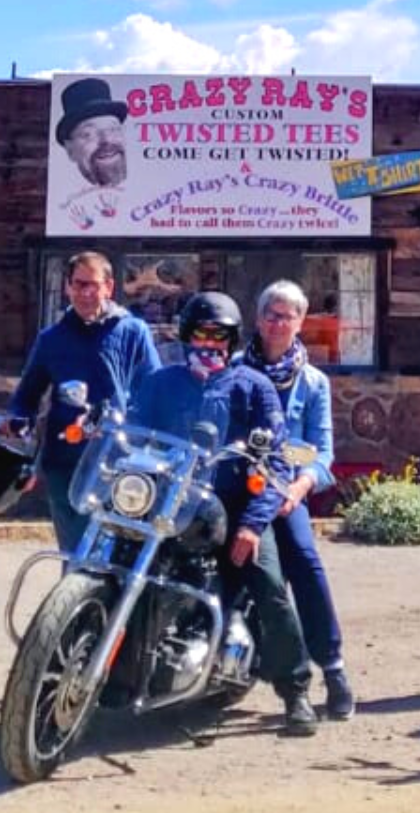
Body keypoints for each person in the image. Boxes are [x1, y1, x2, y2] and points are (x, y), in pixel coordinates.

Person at [130, 292, 320, 736]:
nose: (209, 343)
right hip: (172, 505)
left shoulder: (254, 386)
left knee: (270, 584)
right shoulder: (161, 383)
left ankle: (296, 692)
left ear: (233, 339)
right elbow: (135, 433)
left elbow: (276, 459)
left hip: (235, 508)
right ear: (184, 335)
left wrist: (253, 525)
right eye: (200, 333)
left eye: (219, 336)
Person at [244, 280, 358, 720]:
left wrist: (296, 484)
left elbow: (321, 450)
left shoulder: (313, 383)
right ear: (258, 318)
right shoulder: (238, 370)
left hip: (287, 495)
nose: (277, 323)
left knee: (305, 562)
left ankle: (332, 671)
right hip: (242, 488)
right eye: (271, 314)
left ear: (301, 322)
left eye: (287, 315)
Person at [12, 252, 164, 549]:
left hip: (120, 461)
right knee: (76, 554)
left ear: (108, 287)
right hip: (65, 462)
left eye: (92, 285)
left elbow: (153, 391)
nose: (85, 293)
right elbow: (26, 397)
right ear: (67, 287)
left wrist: (125, 424)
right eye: (78, 284)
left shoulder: (133, 331)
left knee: (119, 551)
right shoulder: (51, 338)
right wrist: (19, 420)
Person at [53, 78, 133, 230]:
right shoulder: (71, 204)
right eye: (88, 134)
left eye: (113, 129)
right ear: (70, 150)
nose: (106, 140)